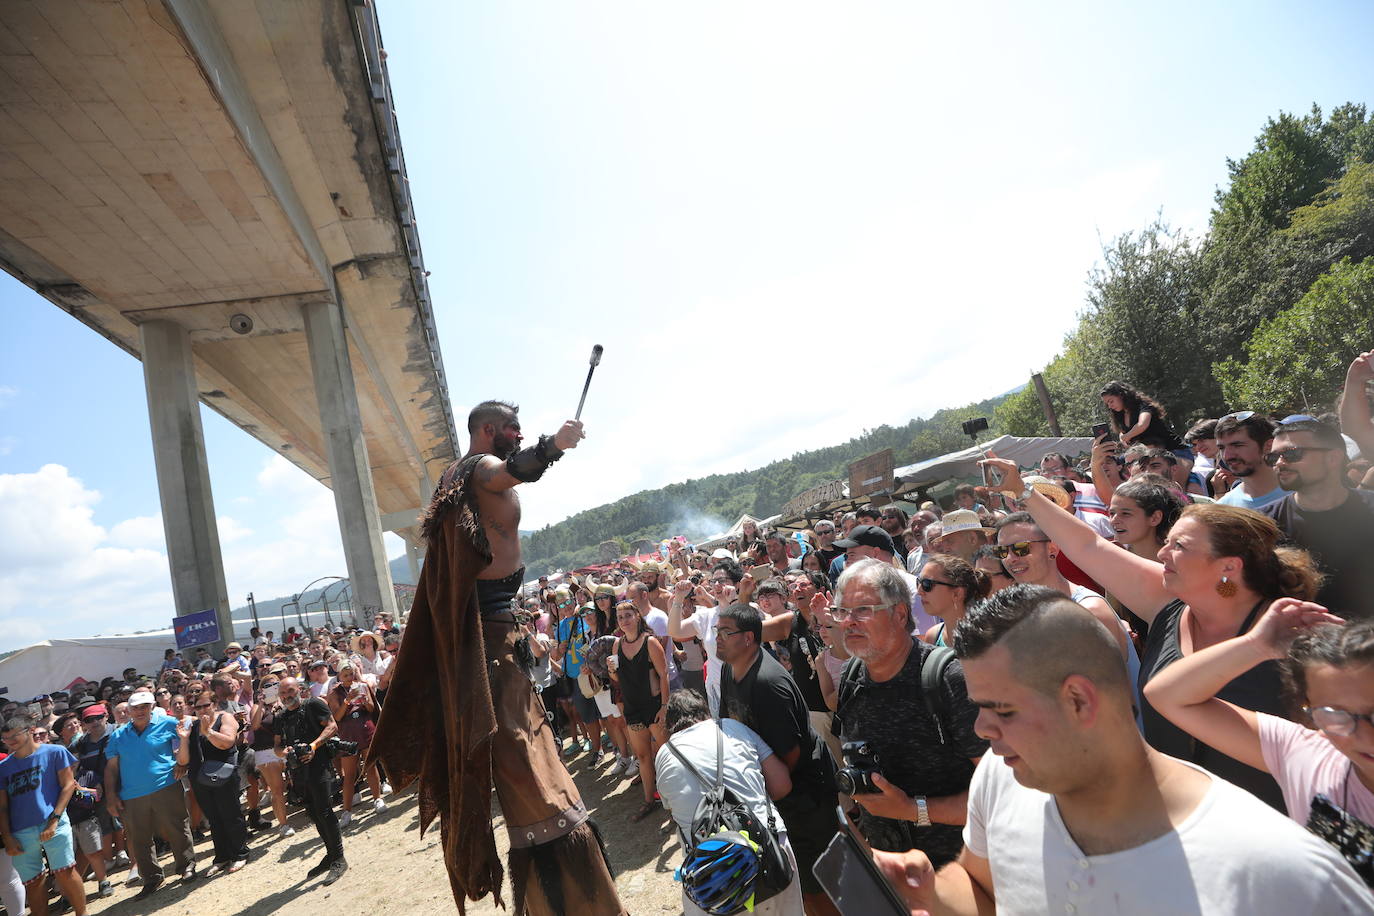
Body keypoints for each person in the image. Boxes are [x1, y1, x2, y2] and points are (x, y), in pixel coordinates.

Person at [874, 584, 1373, 915]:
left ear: (1078, 699)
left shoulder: (1280, 874)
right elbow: (982, 884)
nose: (982, 729)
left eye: (1002, 710)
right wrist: (928, 890)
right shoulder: (1002, 778)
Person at [370, 400, 623, 915]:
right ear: (488, 431)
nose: (517, 434)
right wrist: (554, 446)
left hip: (495, 637)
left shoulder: (455, 479)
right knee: (524, 760)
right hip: (489, 645)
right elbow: (517, 469)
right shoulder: (481, 469)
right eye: (511, 427)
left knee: (531, 755)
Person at [981, 454, 1321, 810]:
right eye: (1168, 542)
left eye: (1180, 546)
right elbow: (1088, 546)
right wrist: (1023, 492)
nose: (1162, 552)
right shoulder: (1167, 605)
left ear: (1229, 567)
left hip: (1273, 824)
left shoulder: (1292, 634)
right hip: (1179, 820)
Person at [1144, 598, 1374, 884]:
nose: (1365, 735)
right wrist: (1256, 645)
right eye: (1334, 715)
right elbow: (1167, 695)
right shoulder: (1306, 753)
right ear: (1309, 711)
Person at [828, 559, 987, 867]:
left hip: (962, 876)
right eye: (841, 612)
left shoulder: (950, 679)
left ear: (900, 614)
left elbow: (1004, 793)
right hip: (893, 873)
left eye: (862, 610)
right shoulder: (851, 677)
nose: (848, 622)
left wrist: (914, 809)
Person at [716, 602, 839, 916]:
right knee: (800, 881)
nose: (717, 638)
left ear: (748, 639)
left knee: (822, 882)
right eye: (717, 630)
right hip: (778, 791)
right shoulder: (730, 667)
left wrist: (764, 796)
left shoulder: (768, 684)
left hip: (805, 795)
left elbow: (791, 757)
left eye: (725, 632)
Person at [654, 689, 804, 915]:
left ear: (671, 724)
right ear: (706, 713)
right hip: (771, 858)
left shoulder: (664, 756)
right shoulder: (732, 728)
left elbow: (672, 808)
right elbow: (782, 785)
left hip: (714, 881)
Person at [1261, 418, 1374, 618]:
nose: (1279, 463)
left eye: (1291, 454)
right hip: (1306, 642)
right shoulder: (1264, 525)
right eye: (1272, 457)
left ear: (1333, 458)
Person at [104, 690, 195, 898]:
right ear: (128, 710)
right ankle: (151, 878)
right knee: (139, 838)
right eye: (135, 708)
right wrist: (111, 796)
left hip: (166, 785)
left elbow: (189, 723)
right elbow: (111, 768)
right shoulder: (118, 735)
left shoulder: (167, 722)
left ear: (152, 707)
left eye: (144, 707)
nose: (140, 711)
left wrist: (184, 763)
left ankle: (186, 867)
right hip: (131, 794)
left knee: (177, 827)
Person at [0, 718, 87, 916]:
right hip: (20, 830)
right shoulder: (3, 767)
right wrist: (7, 836)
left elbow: (68, 785)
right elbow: (2, 806)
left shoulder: (54, 752)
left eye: (14, 736)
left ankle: (83, 913)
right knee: (34, 882)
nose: (10, 741)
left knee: (65, 872)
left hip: (53, 821)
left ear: (30, 730)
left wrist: (55, 819)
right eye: (5, 739)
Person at [274, 677, 347, 885]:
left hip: (319, 765)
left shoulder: (313, 704)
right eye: (283, 693)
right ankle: (330, 854)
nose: (287, 696)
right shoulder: (280, 717)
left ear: (300, 689)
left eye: (290, 691)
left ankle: (339, 858)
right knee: (313, 812)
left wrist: (314, 746)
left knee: (324, 810)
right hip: (298, 772)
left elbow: (332, 726)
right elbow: (277, 746)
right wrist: (284, 752)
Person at [175, 691, 247, 875]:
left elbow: (228, 742)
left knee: (231, 815)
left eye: (205, 705)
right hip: (200, 779)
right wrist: (183, 738)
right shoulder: (193, 726)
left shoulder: (224, 717)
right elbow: (183, 761)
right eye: (197, 706)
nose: (201, 710)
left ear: (214, 704)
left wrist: (209, 732)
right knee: (214, 819)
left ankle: (240, 853)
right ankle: (222, 857)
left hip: (223, 776)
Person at [610, 601, 669, 822]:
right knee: (643, 756)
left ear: (637, 616)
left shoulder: (650, 642)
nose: (624, 620)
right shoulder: (617, 645)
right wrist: (611, 671)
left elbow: (663, 676)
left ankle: (672, 798)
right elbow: (618, 680)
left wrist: (664, 707)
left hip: (654, 706)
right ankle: (648, 800)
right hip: (633, 708)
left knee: (665, 755)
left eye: (627, 615)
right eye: (620, 617)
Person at [832, 524, 935, 635]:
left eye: (851, 555)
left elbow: (925, 638)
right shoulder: (857, 592)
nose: (847, 562)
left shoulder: (910, 587)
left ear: (875, 553)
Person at [327, 662, 384, 827]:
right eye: (345, 675)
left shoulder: (362, 686)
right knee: (349, 775)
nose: (349, 678)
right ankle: (346, 811)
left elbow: (372, 709)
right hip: (348, 736)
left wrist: (365, 701)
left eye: (351, 674)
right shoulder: (334, 693)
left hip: (365, 730)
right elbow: (337, 717)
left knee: (370, 766)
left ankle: (377, 799)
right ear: (339, 676)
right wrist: (347, 701)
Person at [69, 705, 115, 898]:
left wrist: (79, 789)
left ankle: (130, 867)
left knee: (125, 828)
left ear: (105, 716)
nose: (95, 722)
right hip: (86, 801)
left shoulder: (117, 734)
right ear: (84, 724)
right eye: (89, 719)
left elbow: (94, 796)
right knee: (96, 836)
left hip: (118, 789)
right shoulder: (80, 744)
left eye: (98, 717)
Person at [248, 677, 294, 838]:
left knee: (289, 784)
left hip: (287, 747)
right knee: (277, 790)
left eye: (276, 684)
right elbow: (254, 726)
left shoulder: (284, 702)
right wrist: (261, 703)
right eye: (268, 686)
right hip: (266, 751)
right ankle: (283, 824)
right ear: (261, 690)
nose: (273, 687)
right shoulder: (257, 706)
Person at [1214, 411, 1286, 510]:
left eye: (1237, 445)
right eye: (1222, 448)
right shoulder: (1225, 508)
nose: (1227, 456)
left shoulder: (1302, 495)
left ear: (1269, 446)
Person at [918, 554, 992, 648]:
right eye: (918, 582)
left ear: (957, 593)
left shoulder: (988, 638)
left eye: (927, 584)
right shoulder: (933, 637)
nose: (919, 591)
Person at [1100, 380, 1187, 452]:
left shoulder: (1143, 405)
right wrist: (1122, 439)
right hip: (1150, 455)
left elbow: (1142, 425)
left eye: (1111, 401)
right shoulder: (1120, 414)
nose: (1109, 406)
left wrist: (1126, 436)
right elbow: (1122, 432)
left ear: (1121, 395)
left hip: (1175, 450)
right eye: (1107, 403)